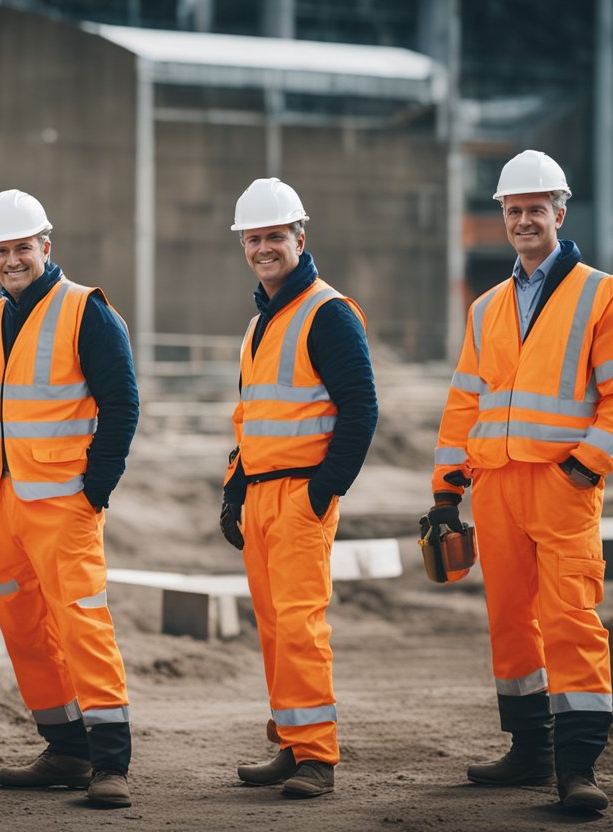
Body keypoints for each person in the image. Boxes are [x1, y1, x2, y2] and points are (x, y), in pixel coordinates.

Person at [429, 150, 613, 811]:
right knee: (511, 624)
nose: (525, 220)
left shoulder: (603, 294)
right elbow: (465, 403)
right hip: (496, 487)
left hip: (562, 488)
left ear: (560, 210)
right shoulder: (487, 308)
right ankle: (530, 751)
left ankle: (578, 766)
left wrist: (585, 467)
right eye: (513, 210)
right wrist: (446, 492)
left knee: (571, 620)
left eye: (536, 209)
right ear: (503, 216)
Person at [0, 189, 139, 808]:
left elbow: (123, 406)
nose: (12, 259)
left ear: (46, 245)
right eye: (1, 251)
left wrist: (95, 489)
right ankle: (66, 748)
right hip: (0, 507)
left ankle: (111, 763)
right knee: (24, 629)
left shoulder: (86, 312)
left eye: (22, 248)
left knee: (82, 624)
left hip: (64, 504)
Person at [220, 178, 378, 799]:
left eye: (275, 237)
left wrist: (322, 493)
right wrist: (234, 491)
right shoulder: (260, 323)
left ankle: (317, 755)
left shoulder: (327, 313)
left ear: (299, 238)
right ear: (243, 244)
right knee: (274, 627)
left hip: (300, 496)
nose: (264, 247)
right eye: (254, 238)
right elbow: (250, 419)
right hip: (261, 493)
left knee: (301, 624)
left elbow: (361, 411)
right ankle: (290, 742)